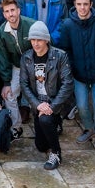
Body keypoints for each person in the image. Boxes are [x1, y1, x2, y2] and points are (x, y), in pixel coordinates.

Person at [18, 22, 74, 170]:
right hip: (39, 103)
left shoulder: (60, 56)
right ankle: (54, 125)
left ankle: (56, 153)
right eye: (33, 40)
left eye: (39, 40)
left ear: (46, 40)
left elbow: (68, 84)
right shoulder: (26, 58)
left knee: (45, 120)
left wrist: (52, 107)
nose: (36, 43)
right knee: (41, 146)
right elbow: (24, 84)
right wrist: (37, 105)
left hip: (55, 102)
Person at [60, 0, 95, 153]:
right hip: (79, 74)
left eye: (85, 4)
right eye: (79, 4)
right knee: (82, 106)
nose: (82, 7)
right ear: (74, 5)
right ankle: (89, 128)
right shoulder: (68, 25)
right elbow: (65, 49)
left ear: (91, 5)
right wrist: (70, 70)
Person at [0, 0, 35, 138]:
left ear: (18, 11)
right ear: (4, 14)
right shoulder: (2, 32)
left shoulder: (31, 25)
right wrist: (6, 83)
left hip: (36, 66)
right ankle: (16, 127)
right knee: (9, 95)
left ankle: (46, 124)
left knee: (42, 95)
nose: (10, 14)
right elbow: (2, 58)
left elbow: (46, 46)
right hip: (17, 67)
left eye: (12, 10)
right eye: (7, 11)